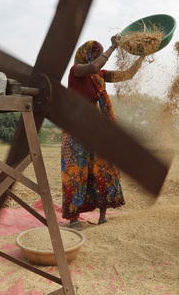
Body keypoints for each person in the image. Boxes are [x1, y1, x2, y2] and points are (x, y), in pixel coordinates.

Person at [61, 36, 146, 230]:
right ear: (85, 55)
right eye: (95, 55)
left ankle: (102, 215)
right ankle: (74, 218)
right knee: (76, 172)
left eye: (99, 56)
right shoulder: (77, 71)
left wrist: (142, 57)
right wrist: (113, 47)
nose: (97, 59)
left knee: (103, 167)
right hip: (75, 128)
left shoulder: (99, 75)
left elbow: (127, 74)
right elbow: (92, 67)